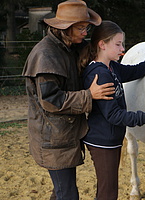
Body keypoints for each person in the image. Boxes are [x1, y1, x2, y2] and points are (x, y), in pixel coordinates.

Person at [22, 1, 115, 199]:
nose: (85, 32)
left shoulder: (67, 47)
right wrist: (89, 95)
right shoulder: (46, 55)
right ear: (64, 28)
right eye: (81, 28)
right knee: (68, 195)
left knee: (61, 192)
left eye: (86, 27)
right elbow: (50, 100)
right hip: (53, 140)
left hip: (62, 136)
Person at [80, 20, 145, 200]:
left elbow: (137, 70)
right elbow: (113, 115)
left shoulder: (111, 67)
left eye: (122, 43)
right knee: (108, 193)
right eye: (118, 44)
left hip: (110, 139)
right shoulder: (100, 74)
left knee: (109, 190)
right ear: (102, 45)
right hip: (103, 142)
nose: (122, 49)